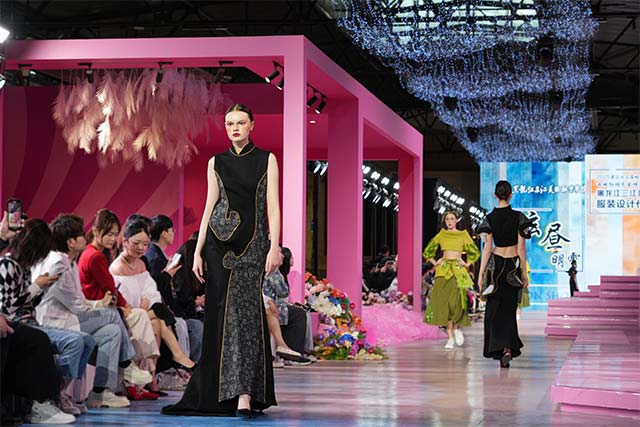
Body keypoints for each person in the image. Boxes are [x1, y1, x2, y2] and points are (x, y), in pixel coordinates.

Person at [163, 104, 279, 418]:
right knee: (221, 315)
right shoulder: (216, 162)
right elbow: (209, 206)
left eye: (241, 122)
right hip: (218, 245)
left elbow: (273, 206)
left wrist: (274, 247)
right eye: (229, 123)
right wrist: (198, 249)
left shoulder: (266, 159)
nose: (235, 128)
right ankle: (225, 394)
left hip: (253, 246)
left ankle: (245, 393)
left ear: (252, 125)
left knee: (247, 316)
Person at [32, 214, 151, 409]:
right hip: (57, 322)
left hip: (71, 318)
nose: (85, 237)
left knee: (112, 331)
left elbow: (78, 300)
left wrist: (98, 304)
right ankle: (126, 365)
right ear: (70, 242)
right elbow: (76, 306)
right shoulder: (59, 263)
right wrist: (100, 306)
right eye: (80, 234)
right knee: (112, 314)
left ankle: (99, 392)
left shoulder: (70, 261)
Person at [78, 209, 160, 399]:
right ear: (96, 231)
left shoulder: (96, 254)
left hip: (101, 308)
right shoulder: (95, 256)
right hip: (95, 311)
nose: (112, 239)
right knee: (136, 316)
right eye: (108, 234)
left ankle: (114, 384)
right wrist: (125, 306)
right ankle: (130, 368)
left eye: (114, 234)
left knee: (141, 320)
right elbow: (110, 287)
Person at [477, 180, 533, 368]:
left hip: (495, 267)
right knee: (509, 310)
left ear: (495, 195)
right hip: (512, 266)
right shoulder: (519, 217)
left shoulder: (489, 218)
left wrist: (480, 274)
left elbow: (487, 249)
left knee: (493, 310)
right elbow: (521, 248)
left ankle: (498, 347)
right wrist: (524, 272)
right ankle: (508, 348)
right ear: (510, 195)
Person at [423, 211, 480, 349]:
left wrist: (467, 263)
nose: (449, 221)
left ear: (456, 220)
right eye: (447, 219)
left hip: (458, 270)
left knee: (457, 302)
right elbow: (428, 251)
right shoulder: (442, 234)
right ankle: (449, 337)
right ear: (445, 221)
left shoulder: (463, 235)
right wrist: (436, 262)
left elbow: (474, 252)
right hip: (443, 270)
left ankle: (457, 328)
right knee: (445, 304)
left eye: (452, 219)